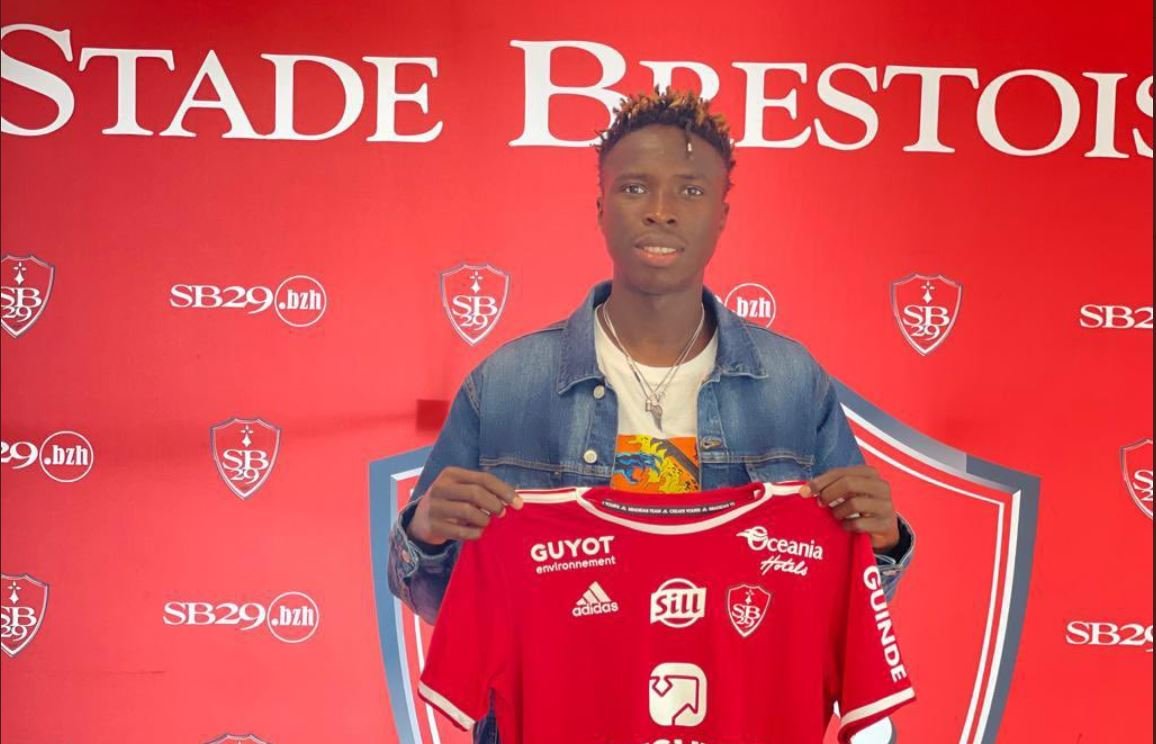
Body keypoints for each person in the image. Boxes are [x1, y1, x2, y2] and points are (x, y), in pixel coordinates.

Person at [388, 87, 915, 743]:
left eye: (690, 192)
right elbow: (447, 608)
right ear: (601, 209)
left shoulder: (791, 383)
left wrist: (881, 544)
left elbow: (839, 607)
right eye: (635, 188)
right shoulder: (507, 384)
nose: (661, 211)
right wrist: (427, 537)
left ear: (721, 216)